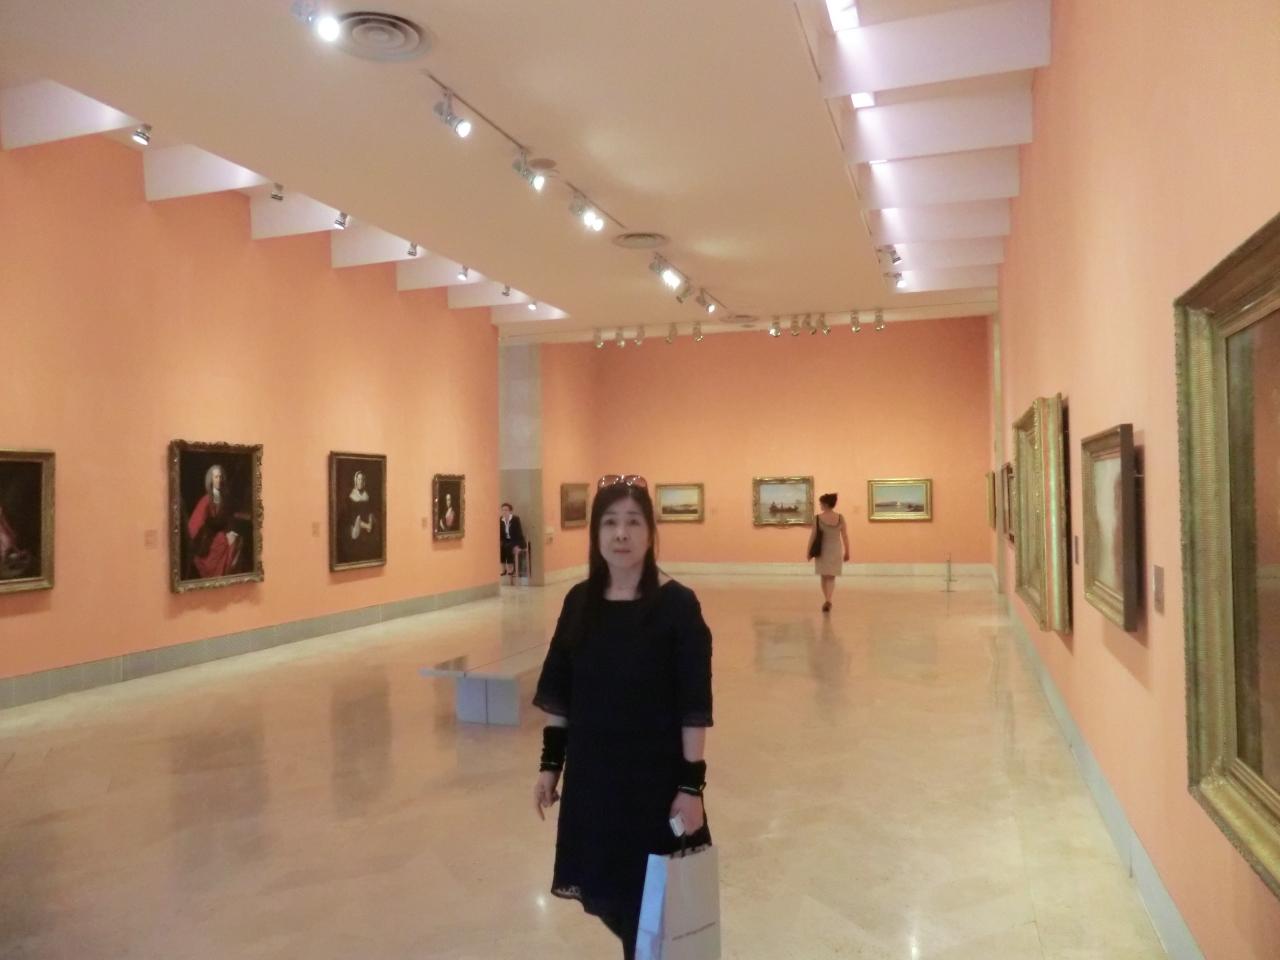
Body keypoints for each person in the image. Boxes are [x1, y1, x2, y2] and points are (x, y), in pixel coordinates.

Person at [532, 475, 714, 959]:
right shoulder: (579, 602)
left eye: (633, 522)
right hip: (594, 782)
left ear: (651, 533)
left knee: (654, 902)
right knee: (610, 893)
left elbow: (694, 706)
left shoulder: (677, 605)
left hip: (654, 784)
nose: (621, 534)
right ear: (595, 534)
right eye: (610, 522)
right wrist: (550, 767)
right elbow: (561, 695)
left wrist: (691, 786)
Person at [187, 464, 243, 579]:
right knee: (225, 541)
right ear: (211, 479)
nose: (219, 480)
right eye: (216, 477)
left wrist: (228, 532)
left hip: (221, 534)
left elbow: (226, 519)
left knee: (237, 540)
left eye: (220, 477)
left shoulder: (223, 498)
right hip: (209, 540)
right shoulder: (206, 499)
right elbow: (194, 525)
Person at [810, 492, 850, 612]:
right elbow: (845, 536)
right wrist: (847, 551)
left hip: (822, 550)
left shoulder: (817, 518)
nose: (820, 505)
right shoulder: (840, 517)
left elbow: (813, 536)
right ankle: (829, 599)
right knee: (831, 576)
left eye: (821, 503)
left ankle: (827, 599)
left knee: (824, 575)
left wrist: (809, 551)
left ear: (826, 504)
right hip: (836, 549)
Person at [341, 470, 378, 563]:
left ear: (364, 481)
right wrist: (365, 525)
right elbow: (351, 517)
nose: (360, 481)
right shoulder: (350, 497)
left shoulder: (367, 496)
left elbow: (371, 512)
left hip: (367, 529)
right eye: (358, 479)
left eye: (362, 479)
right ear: (355, 481)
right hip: (355, 527)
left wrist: (370, 522)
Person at [499, 502, 525, 580]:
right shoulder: (501, 519)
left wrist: (517, 545)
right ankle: (503, 569)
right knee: (501, 547)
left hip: (516, 540)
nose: (504, 512)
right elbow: (500, 534)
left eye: (506, 510)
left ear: (510, 511)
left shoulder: (515, 519)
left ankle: (511, 568)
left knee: (508, 547)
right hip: (506, 540)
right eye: (503, 510)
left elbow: (519, 532)